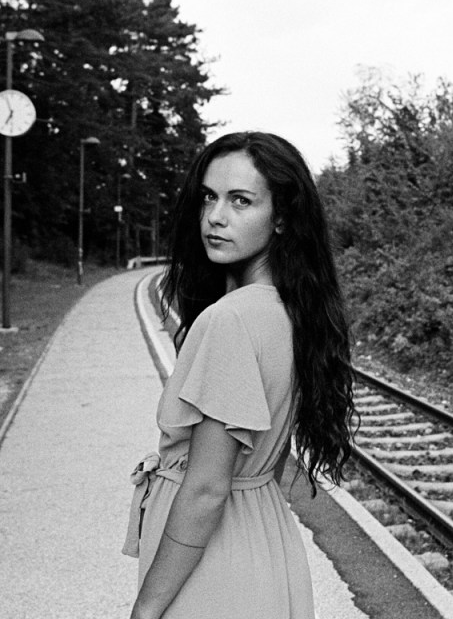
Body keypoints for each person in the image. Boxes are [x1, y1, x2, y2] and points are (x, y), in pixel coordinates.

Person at [122, 131, 356, 619]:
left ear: (281, 218)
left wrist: (145, 610)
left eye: (241, 201)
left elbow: (207, 490)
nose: (216, 216)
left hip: (213, 569)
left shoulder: (228, 321)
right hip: (265, 544)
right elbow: (268, 459)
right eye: (209, 197)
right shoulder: (291, 312)